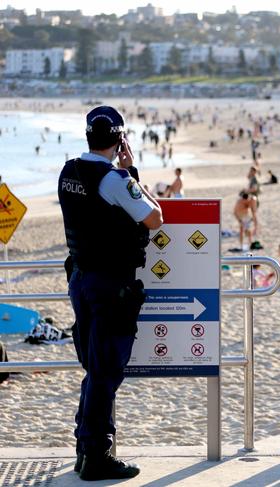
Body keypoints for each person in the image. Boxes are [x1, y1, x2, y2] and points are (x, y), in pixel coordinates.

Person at [58, 106, 163, 481]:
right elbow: (154, 217)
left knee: (94, 365)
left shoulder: (68, 171)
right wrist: (131, 172)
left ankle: (84, 446)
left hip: (81, 278)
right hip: (110, 285)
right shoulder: (115, 179)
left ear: (88, 136)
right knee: (106, 369)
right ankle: (95, 453)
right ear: (120, 141)